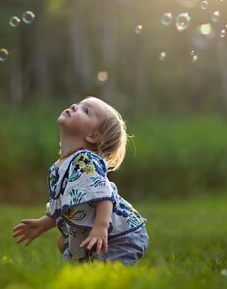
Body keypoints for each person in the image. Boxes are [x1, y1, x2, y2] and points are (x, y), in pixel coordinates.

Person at [12, 96, 149, 265]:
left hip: (120, 235)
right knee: (64, 245)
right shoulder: (60, 166)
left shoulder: (84, 160)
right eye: (79, 104)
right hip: (99, 230)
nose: (74, 106)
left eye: (86, 111)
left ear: (93, 136)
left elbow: (105, 196)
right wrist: (42, 224)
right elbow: (66, 207)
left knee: (103, 274)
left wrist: (100, 227)